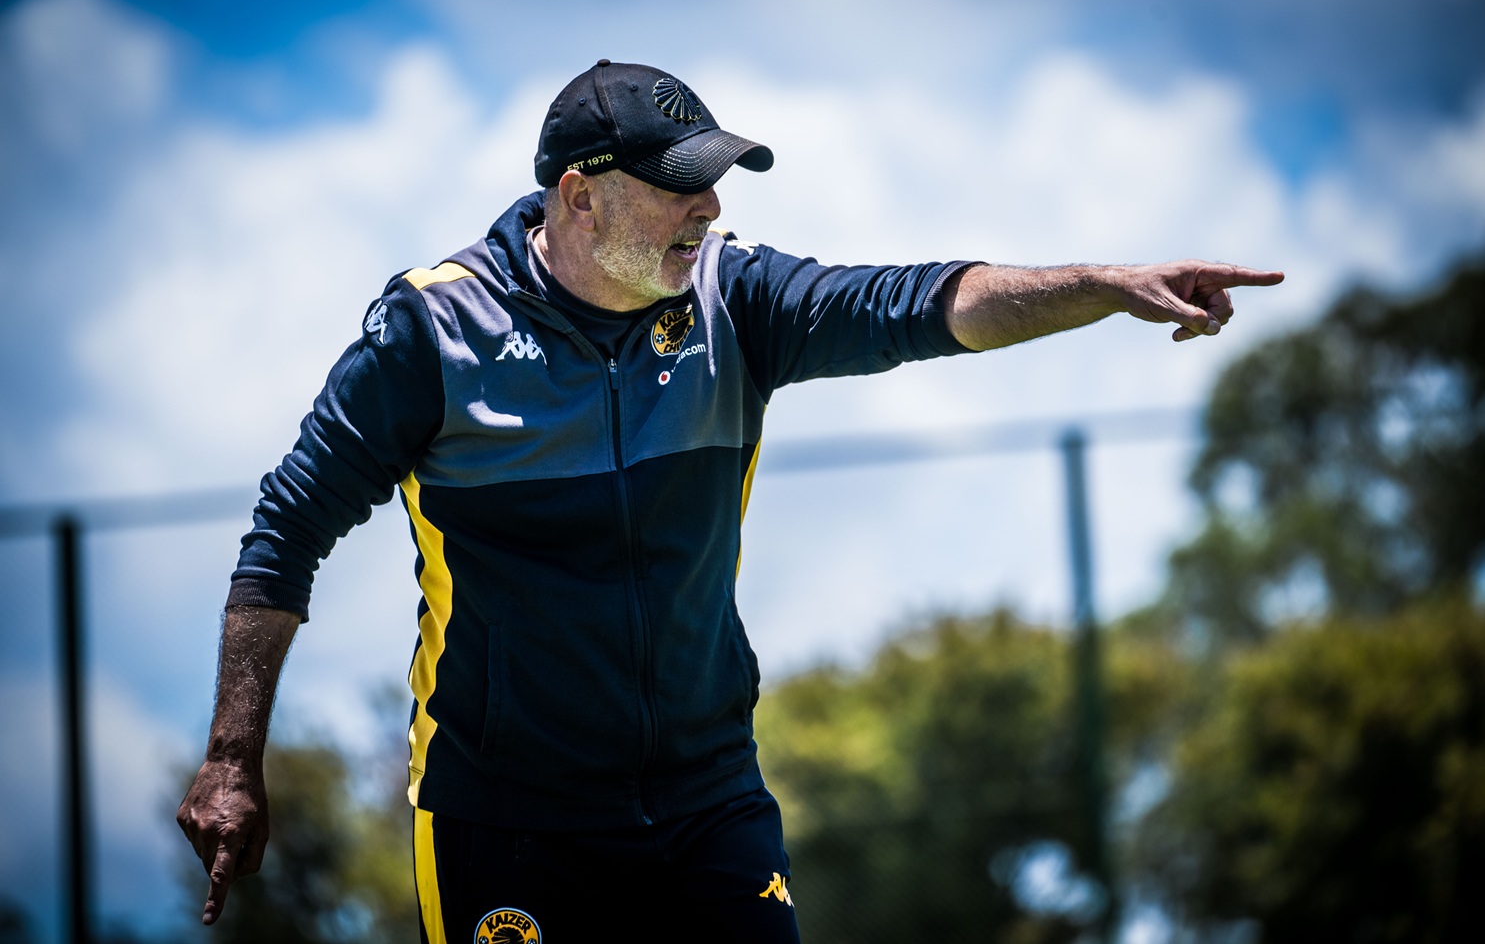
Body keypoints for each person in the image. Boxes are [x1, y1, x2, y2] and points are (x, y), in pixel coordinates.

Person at [177, 59, 1283, 943]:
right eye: (679, 184)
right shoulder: (432, 332)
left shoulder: (733, 297)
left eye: (713, 182)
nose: (709, 207)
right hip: (504, 819)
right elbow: (288, 529)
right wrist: (233, 756)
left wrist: (1099, 287)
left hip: (707, 803)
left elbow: (915, 304)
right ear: (579, 196)